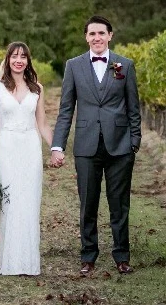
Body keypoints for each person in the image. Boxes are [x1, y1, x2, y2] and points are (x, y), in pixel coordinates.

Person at [50, 15, 141, 277]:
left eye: (101, 33)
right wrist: (58, 145)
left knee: (119, 205)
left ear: (110, 35)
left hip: (120, 146)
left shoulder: (125, 65)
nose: (97, 38)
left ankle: (122, 257)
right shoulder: (73, 66)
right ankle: (88, 257)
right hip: (86, 146)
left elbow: (134, 107)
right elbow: (66, 110)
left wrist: (134, 142)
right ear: (86, 37)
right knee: (87, 204)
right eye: (92, 34)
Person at [0, 41, 53, 276]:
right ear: (7, 60)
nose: (19, 60)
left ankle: (29, 263)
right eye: (14, 56)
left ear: (28, 61)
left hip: (30, 148)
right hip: (7, 149)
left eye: (23, 56)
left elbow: (43, 123)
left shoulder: (37, 88)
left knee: (29, 201)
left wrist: (56, 148)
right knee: (9, 202)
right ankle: (10, 263)